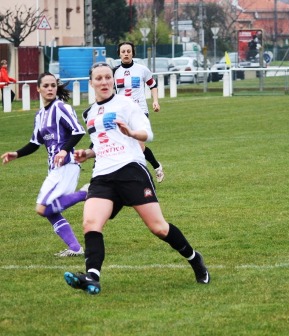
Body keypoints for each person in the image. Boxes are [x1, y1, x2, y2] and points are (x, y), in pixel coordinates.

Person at [63, 62, 210, 295]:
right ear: (91, 83)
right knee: (91, 223)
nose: (103, 82)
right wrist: (88, 153)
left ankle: (194, 259)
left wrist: (131, 133)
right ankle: (92, 276)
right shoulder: (89, 113)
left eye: (107, 77)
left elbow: (147, 133)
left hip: (130, 171)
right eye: (98, 79)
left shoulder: (127, 104)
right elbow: (101, 142)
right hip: (102, 175)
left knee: (159, 228)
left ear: (113, 80)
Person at [1, 72, 87, 256]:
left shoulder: (61, 107)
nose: (50, 89)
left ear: (56, 87)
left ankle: (85, 193)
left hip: (66, 165)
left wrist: (64, 150)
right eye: (46, 86)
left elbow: (78, 131)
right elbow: (35, 143)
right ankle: (76, 249)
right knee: (49, 211)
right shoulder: (40, 115)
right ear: (38, 88)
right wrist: (16, 154)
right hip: (54, 168)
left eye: (53, 85)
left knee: (42, 208)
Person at [114, 41, 165, 183]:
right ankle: (155, 166)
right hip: (122, 114)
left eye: (128, 51)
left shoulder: (142, 69)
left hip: (140, 111)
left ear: (133, 53)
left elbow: (153, 85)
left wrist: (155, 101)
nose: (126, 54)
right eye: (123, 51)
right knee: (125, 145)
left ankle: (148, 174)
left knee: (139, 146)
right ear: (119, 54)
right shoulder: (114, 72)